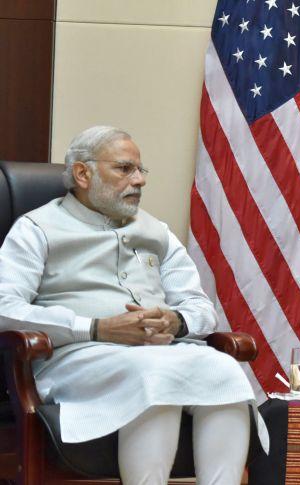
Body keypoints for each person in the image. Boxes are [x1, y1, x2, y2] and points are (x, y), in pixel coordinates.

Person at [0, 126, 268, 484]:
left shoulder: (158, 231)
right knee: (155, 375)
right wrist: (96, 327)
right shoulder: (36, 228)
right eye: (125, 169)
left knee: (225, 371)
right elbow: (5, 308)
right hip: (77, 358)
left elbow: (200, 307)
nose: (139, 180)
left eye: (141, 170)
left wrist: (176, 322)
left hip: (161, 353)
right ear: (83, 173)